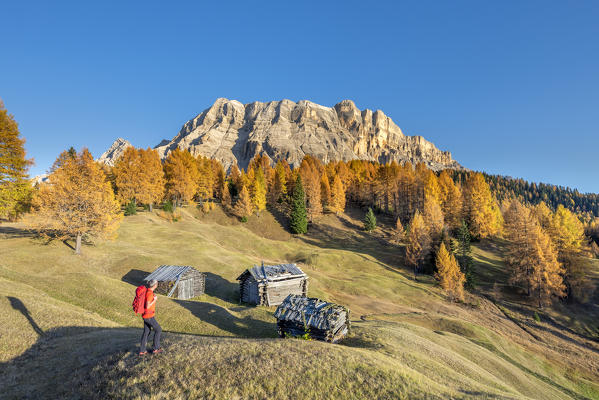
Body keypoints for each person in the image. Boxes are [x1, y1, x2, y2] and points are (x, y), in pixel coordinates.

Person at [139, 279, 162, 355]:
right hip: (149, 316)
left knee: (146, 332)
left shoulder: (148, 291)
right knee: (158, 330)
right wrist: (154, 300)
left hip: (145, 315)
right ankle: (156, 348)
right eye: (157, 283)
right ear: (155, 285)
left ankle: (142, 351)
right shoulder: (149, 293)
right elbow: (148, 305)